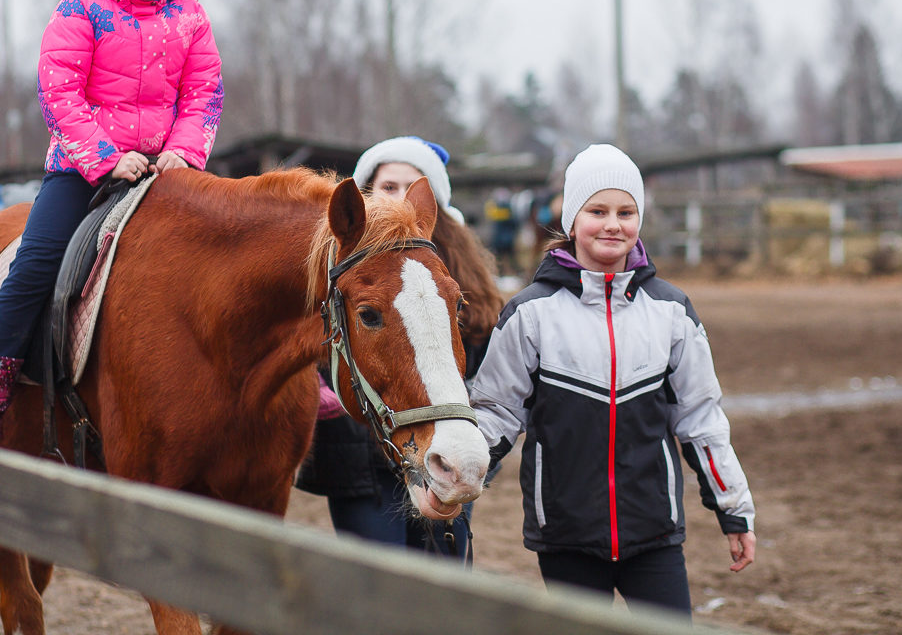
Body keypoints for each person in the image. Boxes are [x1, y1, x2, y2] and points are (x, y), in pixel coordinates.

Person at [0, 0, 224, 443]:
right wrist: (104, 157)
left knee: (230, 250)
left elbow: (205, 94)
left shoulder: (190, 17)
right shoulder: (82, 8)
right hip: (83, 168)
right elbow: (59, 92)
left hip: (169, 169)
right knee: (38, 261)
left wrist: (183, 152)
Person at [468, 143, 756, 615]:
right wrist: (454, 483)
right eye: (597, 210)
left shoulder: (672, 312)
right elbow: (495, 413)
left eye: (626, 211)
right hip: (566, 536)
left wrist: (734, 510)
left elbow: (701, 418)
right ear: (571, 220)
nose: (612, 223)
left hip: (653, 534)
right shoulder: (529, 314)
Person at [295, 135, 503, 561]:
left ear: (433, 206)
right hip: (359, 465)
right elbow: (304, 339)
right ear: (365, 193)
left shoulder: (461, 282)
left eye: (411, 189)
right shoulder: (334, 265)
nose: (399, 200)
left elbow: (487, 372)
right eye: (388, 187)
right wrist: (313, 391)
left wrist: (475, 446)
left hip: (438, 445)